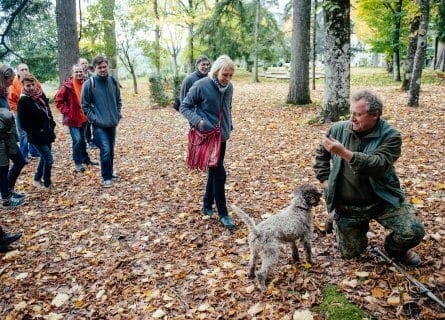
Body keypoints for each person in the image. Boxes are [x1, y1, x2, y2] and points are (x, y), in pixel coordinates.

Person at [313, 89, 425, 266]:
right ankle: (336, 219)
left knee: (413, 231)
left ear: (375, 115)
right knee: (351, 254)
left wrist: (345, 153)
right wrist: (326, 182)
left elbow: (378, 164)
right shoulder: (338, 129)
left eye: (358, 114)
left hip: (382, 200)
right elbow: (321, 154)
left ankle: (394, 249)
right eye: (351, 113)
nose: (352, 119)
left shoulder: (391, 136)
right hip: (349, 206)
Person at [179, 55, 236, 229]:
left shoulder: (229, 88)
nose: (227, 79)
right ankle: (223, 213)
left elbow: (227, 108)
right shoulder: (201, 85)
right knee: (220, 173)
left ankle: (206, 204)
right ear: (216, 71)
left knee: (214, 170)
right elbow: (184, 106)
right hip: (207, 136)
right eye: (224, 75)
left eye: (230, 76)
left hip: (222, 136)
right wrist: (199, 122)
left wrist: (229, 126)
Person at [81, 56, 122, 188]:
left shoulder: (112, 81)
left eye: (105, 67)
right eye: (100, 68)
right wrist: (94, 119)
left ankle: (110, 172)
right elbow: (85, 105)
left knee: (111, 150)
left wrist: (117, 114)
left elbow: (118, 100)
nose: (103, 69)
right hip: (99, 125)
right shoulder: (89, 84)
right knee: (105, 149)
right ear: (95, 69)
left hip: (112, 123)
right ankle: (106, 177)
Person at [54, 64, 98, 173]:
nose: (79, 74)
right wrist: (67, 112)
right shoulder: (67, 86)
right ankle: (77, 162)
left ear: (83, 72)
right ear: (72, 73)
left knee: (82, 140)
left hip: (84, 118)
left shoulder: (86, 84)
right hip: (73, 119)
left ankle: (86, 159)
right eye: (76, 72)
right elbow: (58, 101)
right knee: (77, 140)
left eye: (80, 72)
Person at [17, 73, 56, 189]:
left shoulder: (40, 94)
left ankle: (37, 178)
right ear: (23, 86)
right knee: (49, 159)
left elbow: (47, 110)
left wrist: (52, 123)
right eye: (28, 85)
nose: (31, 87)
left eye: (33, 84)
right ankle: (47, 182)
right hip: (36, 136)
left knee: (44, 157)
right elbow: (23, 123)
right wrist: (37, 132)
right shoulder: (23, 101)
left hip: (47, 133)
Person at [0, 65, 27, 207]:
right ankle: (5, 199)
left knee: (20, 161)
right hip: (0, 138)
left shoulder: (4, 92)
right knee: (2, 168)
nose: (12, 82)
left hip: (8, 135)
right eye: (10, 80)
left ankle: (8, 190)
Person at [8, 63, 41, 161]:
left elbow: (39, 89)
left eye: (26, 69)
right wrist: (17, 110)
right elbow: (10, 99)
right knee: (23, 133)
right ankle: (24, 155)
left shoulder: (33, 79)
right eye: (22, 70)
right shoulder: (14, 82)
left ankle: (34, 152)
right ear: (18, 71)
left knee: (33, 130)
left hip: (32, 110)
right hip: (20, 112)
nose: (24, 71)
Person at [78, 58, 96, 150]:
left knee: (95, 121)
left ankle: (96, 139)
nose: (84, 65)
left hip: (93, 101)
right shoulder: (78, 76)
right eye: (82, 63)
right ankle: (89, 140)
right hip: (83, 102)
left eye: (86, 63)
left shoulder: (91, 75)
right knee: (87, 123)